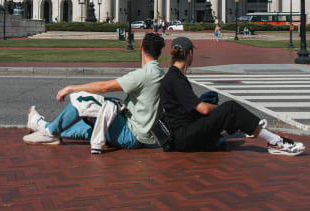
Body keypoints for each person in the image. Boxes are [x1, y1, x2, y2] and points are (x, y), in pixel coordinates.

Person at [160, 37, 305, 156]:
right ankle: (276, 142)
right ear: (190, 53)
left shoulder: (174, 76)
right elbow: (203, 109)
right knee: (230, 108)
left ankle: (250, 126)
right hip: (183, 136)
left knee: (217, 102)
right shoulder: (176, 79)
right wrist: (219, 109)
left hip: (183, 131)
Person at [23, 33, 165, 151]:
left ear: (141, 47)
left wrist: (71, 88)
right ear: (159, 52)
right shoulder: (159, 73)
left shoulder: (143, 75)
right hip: (143, 135)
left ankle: (49, 132)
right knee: (95, 128)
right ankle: (42, 126)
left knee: (84, 100)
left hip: (130, 135)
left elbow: (103, 87)